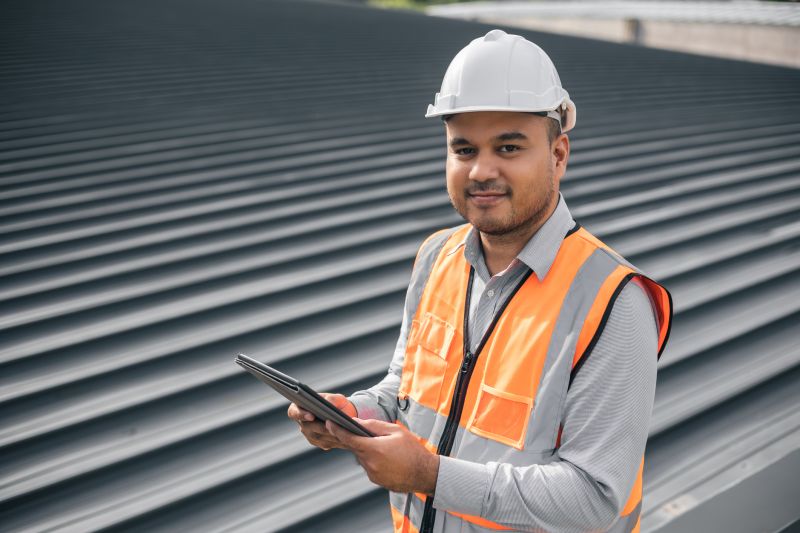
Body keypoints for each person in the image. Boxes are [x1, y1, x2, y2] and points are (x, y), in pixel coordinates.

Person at [288, 29, 672, 533]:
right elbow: (407, 391)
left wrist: (429, 474)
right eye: (463, 149)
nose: (480, 170)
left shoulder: (615, 300)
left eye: (508, 147)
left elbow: (593, 499)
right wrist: (351, 414)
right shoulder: (436, 257)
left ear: (558, 155)